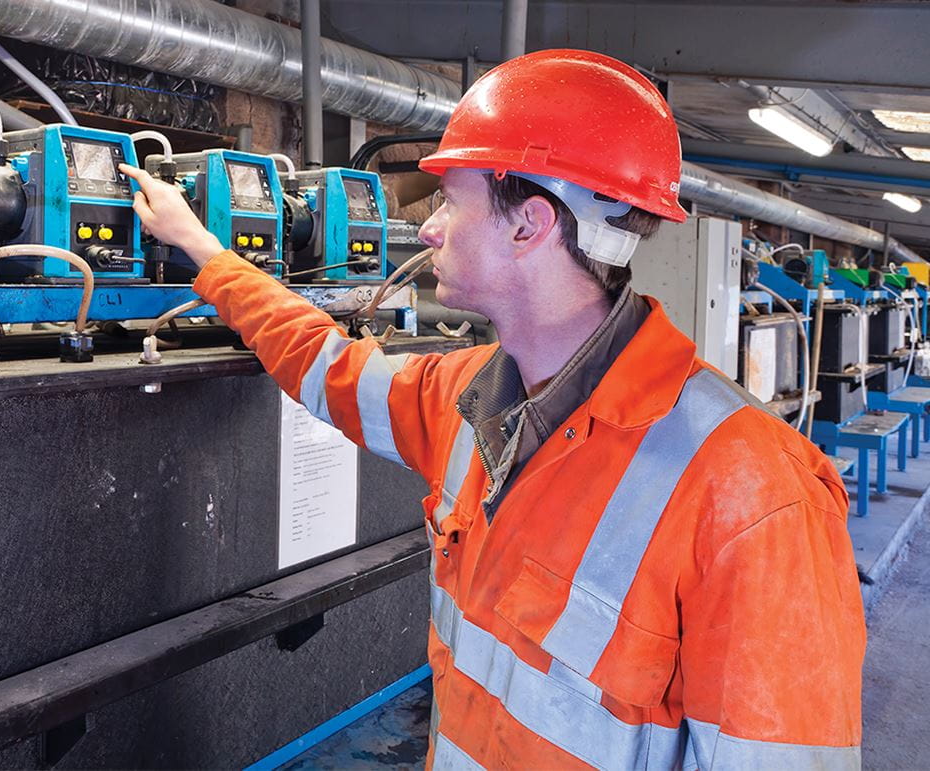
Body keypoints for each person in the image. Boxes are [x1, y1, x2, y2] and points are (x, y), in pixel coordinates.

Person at [120, 48, 863, 770]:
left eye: (451, 198)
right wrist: (202, 249)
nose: (432, 227)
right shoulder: (470, 398)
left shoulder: (757, 497)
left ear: (529, 224)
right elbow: (326, 366)